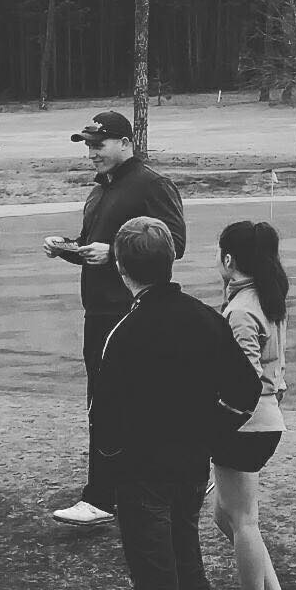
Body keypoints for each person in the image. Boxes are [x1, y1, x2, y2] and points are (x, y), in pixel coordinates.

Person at [93, 216, 261, 590]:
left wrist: (114, 468)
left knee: (158, 588)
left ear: (121, 268)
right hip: (188, 469)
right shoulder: (204, 319)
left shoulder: (124, 333)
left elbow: (105, 423)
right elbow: (245, 390)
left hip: (143, 475)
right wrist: (208, 434)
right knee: (188, 575)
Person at [45, 111, 186, 529]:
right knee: (114, 402)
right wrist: (69, 249)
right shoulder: (99, 191)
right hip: (100, 312)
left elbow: (174, 243)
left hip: (133, 312)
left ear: (126, 143)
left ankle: (103, 496)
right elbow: (95, 248)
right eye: (88, 145)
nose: (92, 152)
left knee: (121, 402)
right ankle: (147, 484)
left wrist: (114, 252)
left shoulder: (151, 185)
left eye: (99, 144)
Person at [211, 219, 295, 590]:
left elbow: (243, 380)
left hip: (243, 424)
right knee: (226, 515)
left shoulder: (242, 309)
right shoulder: (267, 298)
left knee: (242, 520)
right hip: (264, 420)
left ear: (229, 259)